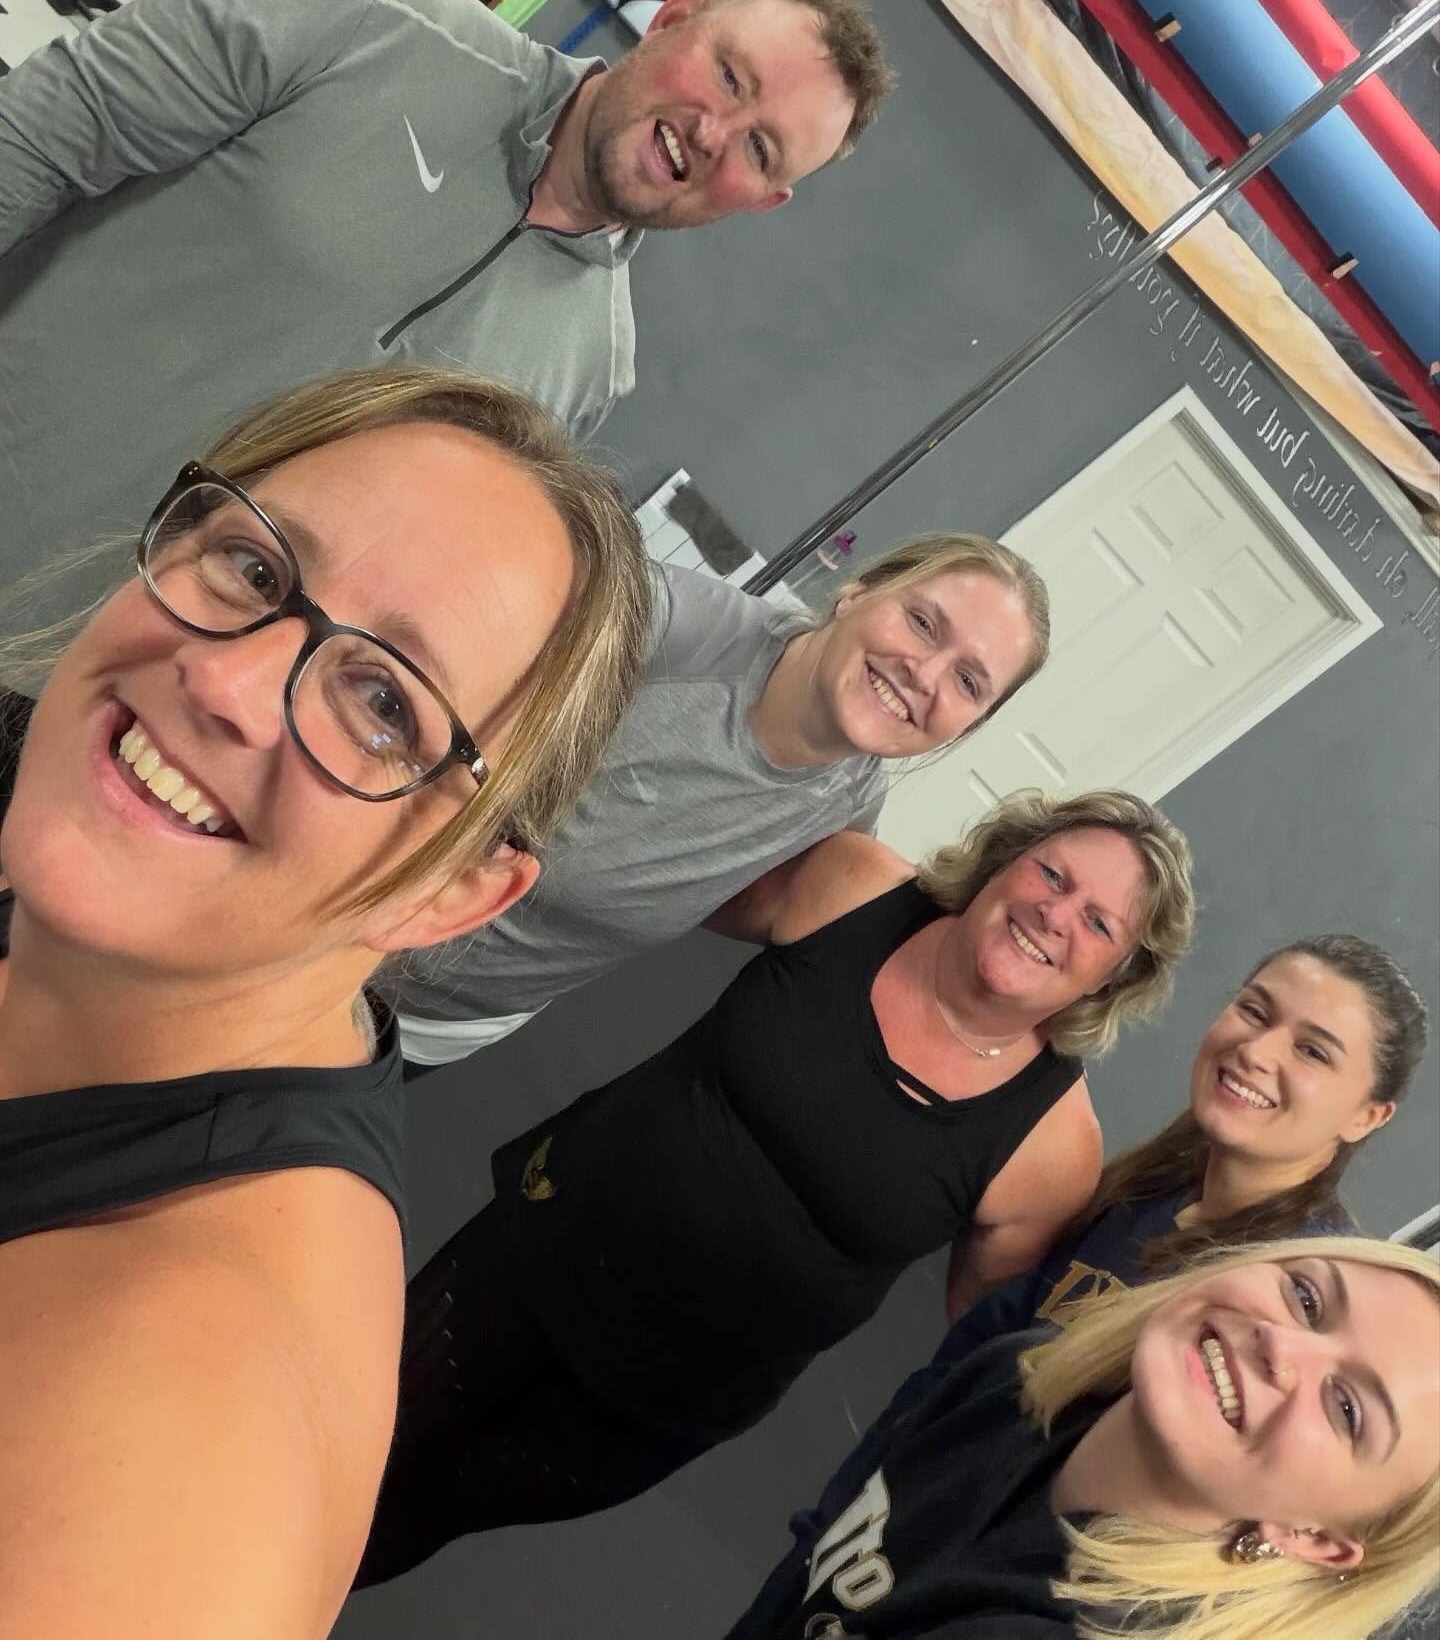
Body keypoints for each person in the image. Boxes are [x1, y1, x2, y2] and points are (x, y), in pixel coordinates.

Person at [0, 364, 650, 1637]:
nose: (229, 685)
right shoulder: (118, 978)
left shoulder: (177, 1426)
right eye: (252, 568)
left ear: (452, 894)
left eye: (383, 703)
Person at [354, 787, 1197, 1585]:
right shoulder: (857, 886)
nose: (1055, 915)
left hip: (658, 1402)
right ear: (1007, 858)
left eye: (1098, 923)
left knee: (423, 1517)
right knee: (352, 1446)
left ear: (1113, 979)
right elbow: (670, 902)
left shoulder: (1053, 1144)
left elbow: (981, 1333)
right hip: (542, 1248)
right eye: (1053, 874)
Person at [0, 0, 892, 594]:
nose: (712, 133)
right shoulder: (371, 14)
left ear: (764, 201)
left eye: (762, 149)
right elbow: (39, 136)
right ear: (675, 16)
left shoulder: (585, 372)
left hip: (72, 691)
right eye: (730, 78)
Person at [758, 932, 1429, 1592]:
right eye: (1255, 1009)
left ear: (1368, 1115)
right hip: (879, 1542)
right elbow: (963, 1368)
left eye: (1312, 1051)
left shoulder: (1270, 1296)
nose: (1257, 1050)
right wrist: (839, 1522)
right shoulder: (1154, 1186)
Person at [396, 531, 1052, 1066]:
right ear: (857, 593)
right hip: (331, 927)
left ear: (970, 724)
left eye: (969, 681)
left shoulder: (844, 824)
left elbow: (740, 912)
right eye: (921, 622)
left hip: (435, 1027)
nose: (925, 673)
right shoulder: (670, 624)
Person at [725, 1234, 1440, 1639]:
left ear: (1317, 1539)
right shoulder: (1017, 1373)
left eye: (1348, 1408)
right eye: (1307, 1298)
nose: (1282, 1347)